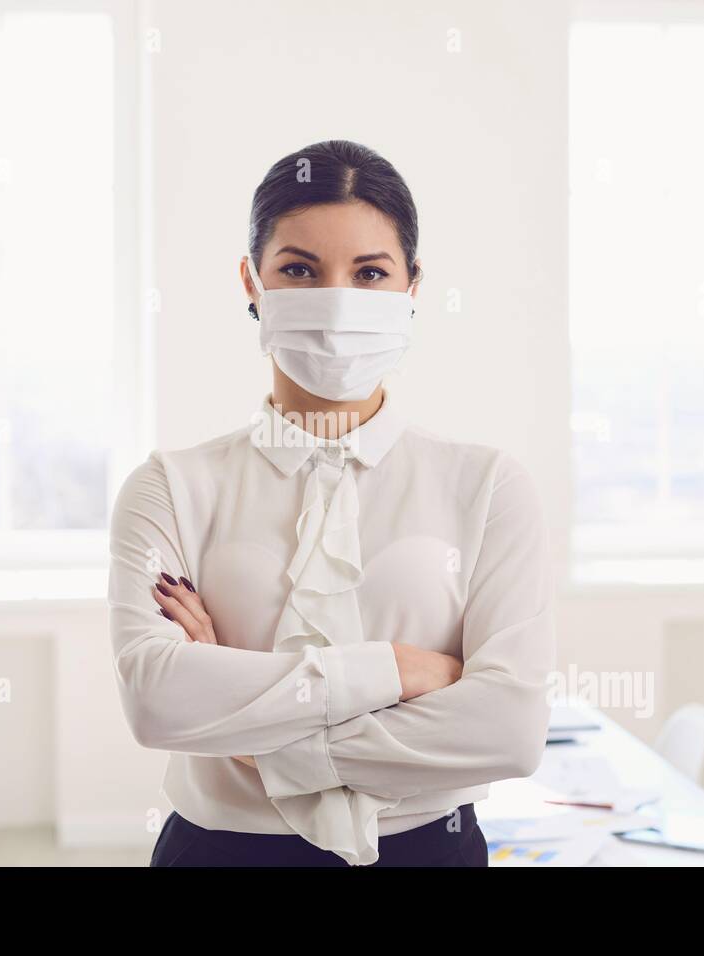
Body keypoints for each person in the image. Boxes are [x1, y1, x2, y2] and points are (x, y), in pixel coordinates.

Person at [108, 139, 555, 867]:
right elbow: (157, 703)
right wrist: (397, 669)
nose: (337, 299)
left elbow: (509, 729)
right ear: (251, 282)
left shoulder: (490, 486)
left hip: (428, 851)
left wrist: (254, 737)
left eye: (370, 272)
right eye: (299, 270)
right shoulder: (168, 486)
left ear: (412, 288)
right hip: (221, 851)